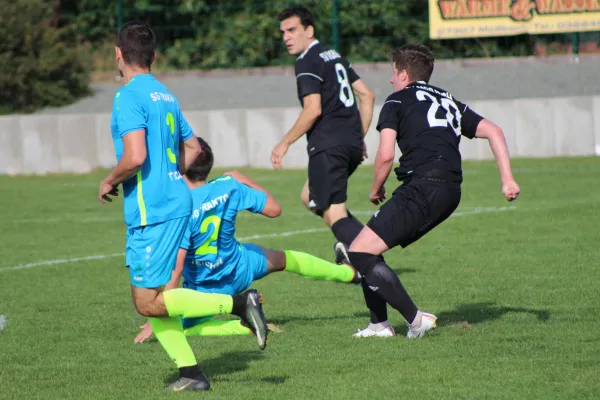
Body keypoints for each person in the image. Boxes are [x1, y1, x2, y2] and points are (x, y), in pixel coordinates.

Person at [98, 21, 268, 392]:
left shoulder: (127, 96)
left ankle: (238, 305)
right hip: (176, 199)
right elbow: (193, 149)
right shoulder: (166, 95)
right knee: (159, 296)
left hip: (153, 209)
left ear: (118, 54)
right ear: (153, 57)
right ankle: (191, 373)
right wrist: (172, 174)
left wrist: (110, 180)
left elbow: (135, 155)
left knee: (146, 303)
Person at [335, 44, 521, 338]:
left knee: (358, 251)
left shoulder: (396, 101)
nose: (391, 80)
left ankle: (415, 319)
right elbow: (494, 131)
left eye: (393, 73)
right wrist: (507, 179)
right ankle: (378, 325)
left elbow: (385, 155)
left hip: (423, 187)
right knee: (366, 246)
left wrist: (376, 187)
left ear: (404, 74)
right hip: (450, 190)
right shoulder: (448, 100)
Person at [134, 137, 361, 346]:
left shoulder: (180, 208)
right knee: (285, 259)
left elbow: (177, 267)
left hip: (206, 289)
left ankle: (244, 327)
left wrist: (162, 306)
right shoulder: (227, 186)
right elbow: (274, 209)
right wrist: (242, 179)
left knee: (178, 329)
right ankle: (350, 273)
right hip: (241, 266)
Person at [271, 6, 376, 256]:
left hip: (328, 145)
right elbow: (367, 96)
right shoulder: (333, 55)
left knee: (334, 209)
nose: (286, 36)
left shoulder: (307, 60)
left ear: (309, 31)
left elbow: (313, 109)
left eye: (292, 30)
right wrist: (357, 138)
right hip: (349, 143)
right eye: (283, 32)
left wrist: (284, 143)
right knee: (310, 196)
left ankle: (368, 258)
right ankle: (356, 248)